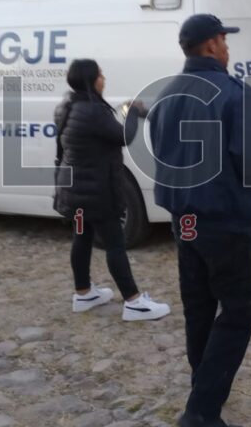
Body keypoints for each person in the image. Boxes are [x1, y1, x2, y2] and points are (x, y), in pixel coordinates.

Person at [149, 14, 251, 427]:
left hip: (184, 221)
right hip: (224, 221)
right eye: (224, 40)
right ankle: (201, 411)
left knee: (199, 309)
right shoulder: (234, 93)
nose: (227, 48)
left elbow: (162, 152)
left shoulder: (166, 93)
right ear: (210, 45)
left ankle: (201, 389)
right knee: (238, 313)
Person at [54, 58, 170, 321]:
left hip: (74, 188)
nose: (103, 79)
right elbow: (123, 136)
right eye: (100, 75)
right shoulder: (93, 111)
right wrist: (132, 112)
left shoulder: (68, 106)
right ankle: (134, 302)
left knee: (82, 237)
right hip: (97, 191)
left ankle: (83, 293)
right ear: (90, 80)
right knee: (115, 244)